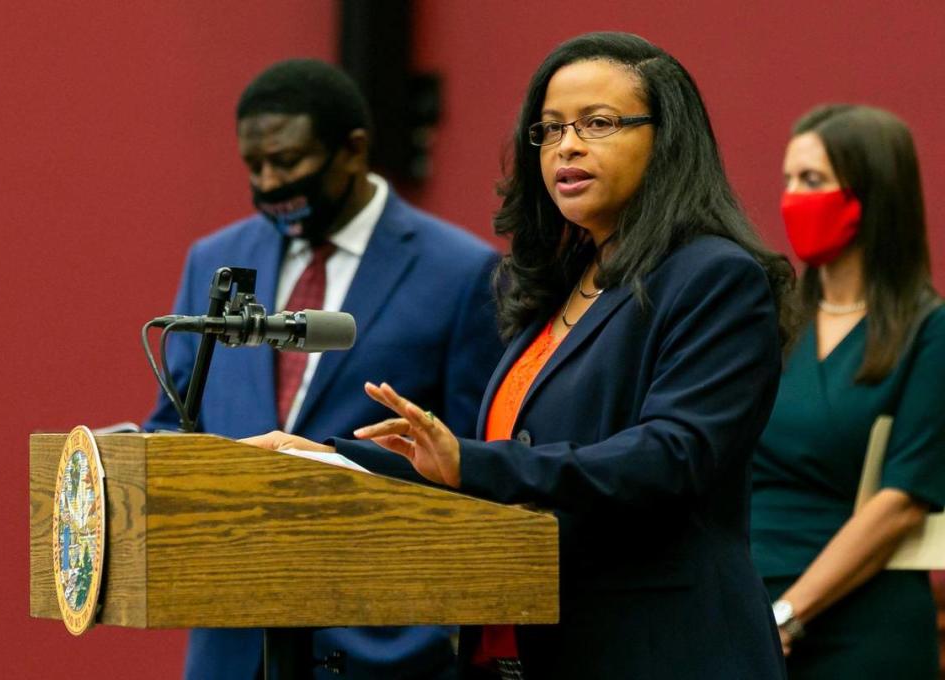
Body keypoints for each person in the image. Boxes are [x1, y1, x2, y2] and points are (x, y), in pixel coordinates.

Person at [247, 32, 795, 679]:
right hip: (519, 651)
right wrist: (336, 460)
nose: (568, 145)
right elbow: (490, 469)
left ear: (667, 139)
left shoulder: (714, 278)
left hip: (657, 647)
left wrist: (470, 461)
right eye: (551, 129)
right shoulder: (555, 285)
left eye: (598, 123)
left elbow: (668, 457)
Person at [143, 59, 503, 680]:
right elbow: (177, 418)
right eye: (253, 166)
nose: (269, 182)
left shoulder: (463, 272)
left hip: (383, 640)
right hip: (231, 643)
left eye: (288, 162)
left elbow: (472, 463)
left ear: (352, 150)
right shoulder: (216, 259)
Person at [750, 104, 945, 678]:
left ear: (871, 196)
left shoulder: (928, 330)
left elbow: (900, 502)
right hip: (750, 606)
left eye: (812, 181)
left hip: (860, 624)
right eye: (787, 179)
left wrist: (787, 614)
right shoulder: (772, 318)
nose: (792, 197)